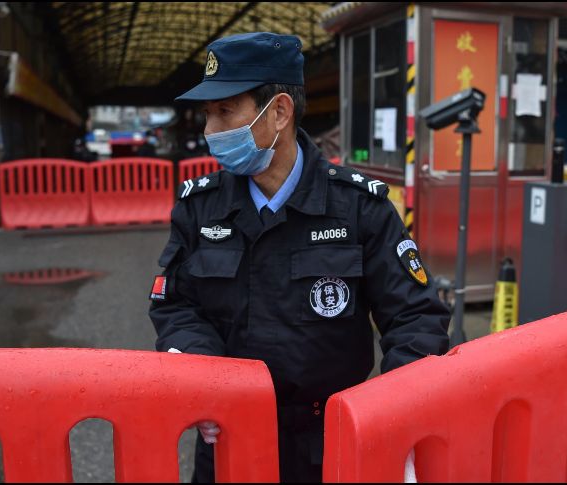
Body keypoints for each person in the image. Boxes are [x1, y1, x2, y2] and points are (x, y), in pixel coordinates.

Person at [148, 32, 450, 483]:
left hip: (331, 440)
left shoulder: (358, 208)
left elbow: (416, 317)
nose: (211, 131)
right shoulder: (200, 207)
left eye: (225, 111)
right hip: (228, 441)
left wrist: (397, 415)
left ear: (280, 112)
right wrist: (203, 375)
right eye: (208, 115)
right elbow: (177, 304)